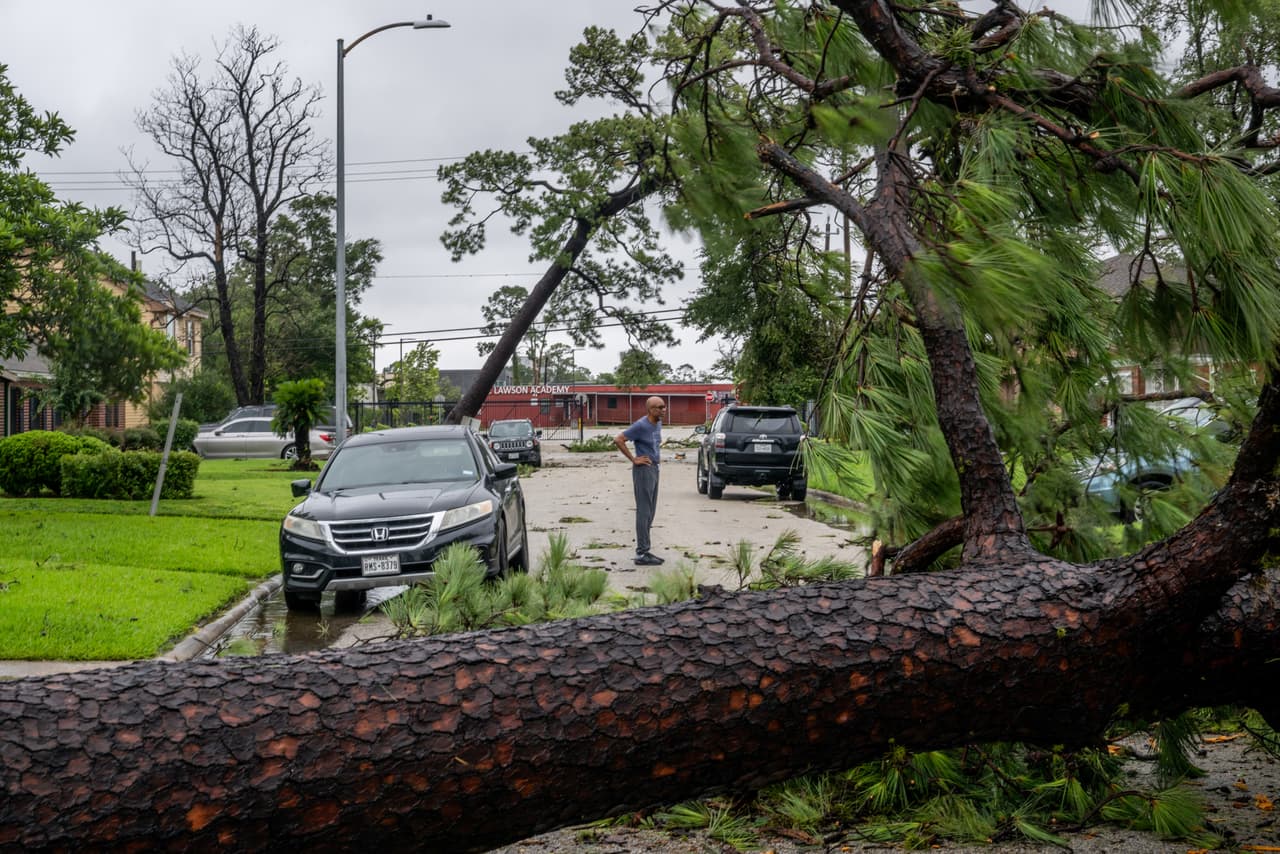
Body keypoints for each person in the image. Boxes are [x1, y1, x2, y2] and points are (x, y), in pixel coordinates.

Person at [615, 396, 666, 566]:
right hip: (643, 470)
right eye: (659, 407)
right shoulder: (641, 425)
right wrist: (634, 459)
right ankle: (642, 552)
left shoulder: (657, 423)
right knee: (644, 511)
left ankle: (646, 549)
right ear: (650, 409)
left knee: (651, 511)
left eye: (664, 406)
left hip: (654, 468)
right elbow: (619, 439)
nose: (663, 410)